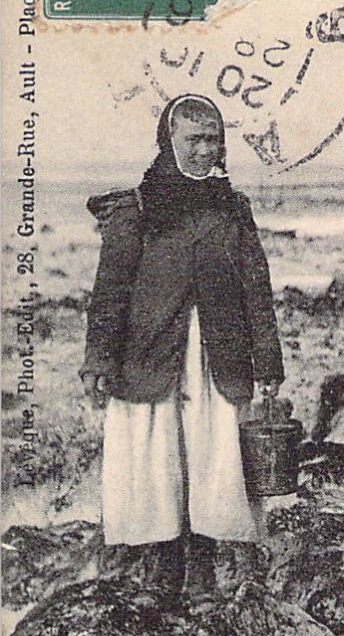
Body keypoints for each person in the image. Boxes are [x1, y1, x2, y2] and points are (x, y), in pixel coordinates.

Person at [82, 94, 283, 604]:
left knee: (213, 454)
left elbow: (256, 288)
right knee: (159, 456)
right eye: (193, 139)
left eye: (213, 140)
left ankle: (203, 571)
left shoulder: (234, 210)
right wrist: (99, 361)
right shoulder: (137, 210)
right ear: (168, 143)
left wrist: (268, 362)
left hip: (217, 353)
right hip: (151, 352)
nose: (205, 151)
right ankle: (162, 569)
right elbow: (110, 292)